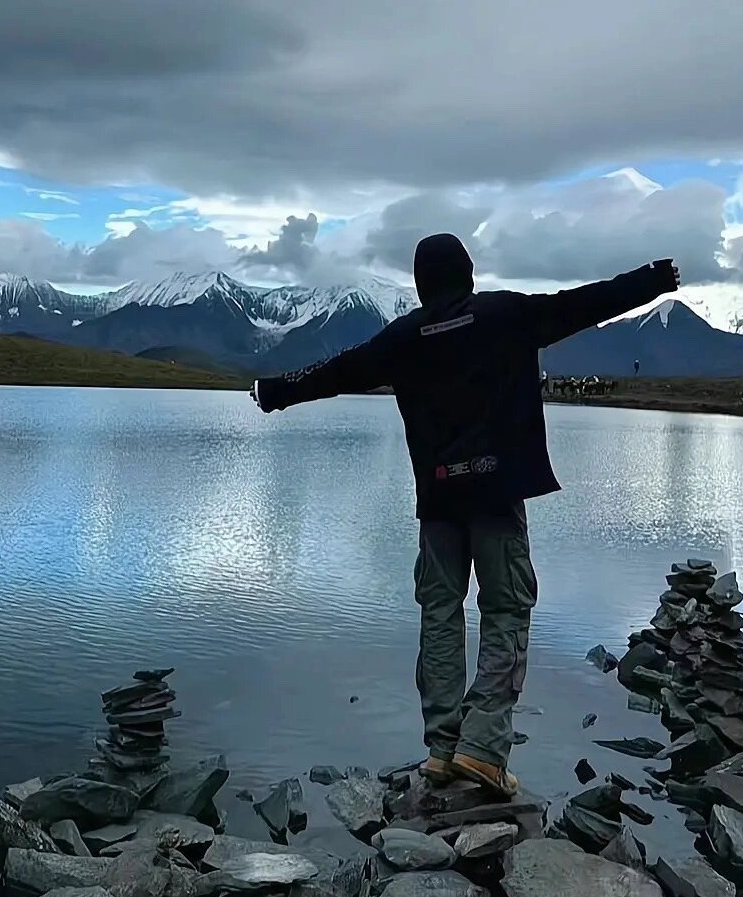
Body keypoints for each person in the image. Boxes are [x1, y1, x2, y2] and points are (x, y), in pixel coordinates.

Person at [251, 234, 679, 795]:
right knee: (505, 610)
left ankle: (442, 748)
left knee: (440, 614)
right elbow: (585, 302)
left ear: (422, 283)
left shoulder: (402, 338)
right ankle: (482, 750)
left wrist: (274, 390)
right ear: (469, 275)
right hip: (498, 496)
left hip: (439, 499)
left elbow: (338, 372)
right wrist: (652, 278)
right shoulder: (509, 315)